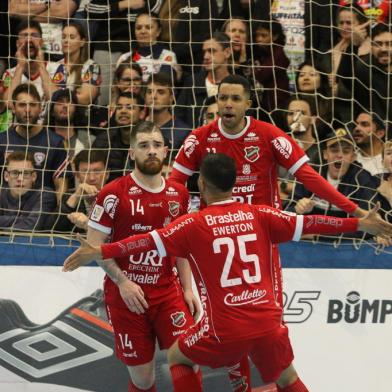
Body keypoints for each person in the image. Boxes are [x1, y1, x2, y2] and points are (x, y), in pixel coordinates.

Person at [63, 153, 392, 392]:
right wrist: (359, 223)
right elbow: (315, 223)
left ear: (201, 183)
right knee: (288, 379)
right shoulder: (262, 213)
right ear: (235, 183)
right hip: (268, 322)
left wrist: (101, 250)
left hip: (225, 329)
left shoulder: (192, 224)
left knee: (177, 356)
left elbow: (142, 242)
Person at [169, 74, 376, 390]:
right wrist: (180, 219)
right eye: (223, 98)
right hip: (213, 244)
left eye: (235, 98)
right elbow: (173, 186)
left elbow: (309, 177)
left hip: (259, 244)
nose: (227, 104)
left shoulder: (269, 135)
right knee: (227, 324)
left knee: (269, 329)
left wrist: (354, 210)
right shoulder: (200, 139)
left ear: (248, 103)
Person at [70, 121, 201, 391]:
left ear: (166, 151)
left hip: (167, 292)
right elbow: (95, 248)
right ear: (132, 153)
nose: (151, 151)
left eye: (156, 145)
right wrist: (122, 282)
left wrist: (188, 289)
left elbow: (182, 247)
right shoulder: (112, 194)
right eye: (143, 145)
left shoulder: (180, 194)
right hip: (126, 296)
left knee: (189, 357)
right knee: (143, 378)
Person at [288, 128, 378, 240]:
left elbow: (370, 227)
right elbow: (285, 214)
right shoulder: (310, 175)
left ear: (353, 157)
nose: (339, 155)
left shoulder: (362, 179)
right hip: (307, 247)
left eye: (345, 151)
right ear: (325, 154)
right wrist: (297, 210)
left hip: (346, 249)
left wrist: (319, 236)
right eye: (334, 150)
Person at [0, 83, 70, 202]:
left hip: (42, 211)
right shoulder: (2, 141)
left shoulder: (55, 142)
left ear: (41, 108)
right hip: (7, 212)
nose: (27, 110)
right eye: (22, 105)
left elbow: (61, 185)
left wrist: (57, 216)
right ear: (13, 107)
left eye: (32, 105)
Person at [337, 22, 392, 124]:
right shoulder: (363, 68)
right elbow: (345, 76)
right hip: (371, 134)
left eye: (389, 44)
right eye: (378, 44)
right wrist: (354, 45)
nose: (384, 49)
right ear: (371, 46)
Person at [176, 32, 231, 128]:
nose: (206, 57)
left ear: (227, 52)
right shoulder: (192, 83)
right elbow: (178, 117)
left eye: (211, 51)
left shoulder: (238, 85)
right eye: (204, 52)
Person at [49, 149, 109, 233]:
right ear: (77, 176)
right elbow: (50, 229)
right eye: (85, 172)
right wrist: (75, 197)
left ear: (107, 174)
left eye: (97, 171)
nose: (92, 178)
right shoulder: (69, 196)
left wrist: (88, 225)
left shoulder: (118, 198)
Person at [92, 92, 144, 182]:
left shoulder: (152, 141)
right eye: (119, 107)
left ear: (141, 113)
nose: (123, 111)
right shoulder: (103, 140)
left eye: (129, 107)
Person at [2, 20, 57, 104]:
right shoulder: (9, 74)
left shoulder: (57, 69)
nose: (29, 40)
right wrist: (20, 66)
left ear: (42, 43)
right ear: (17, 44)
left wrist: (41, 66)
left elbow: (56, 102)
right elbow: (8, 104)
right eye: (24, 36)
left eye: (34, 35)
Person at [116, 12, 181, 84]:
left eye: (148, 27)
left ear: (158, 31)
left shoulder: (168, 56)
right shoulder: (125, 58)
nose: (143, 31)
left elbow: (164, 85)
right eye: (138, 28)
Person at [0, 151, 56, 231]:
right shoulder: (1, 194)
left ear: (33, 177)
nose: (20, 179)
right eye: (15, 173)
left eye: (26, 173)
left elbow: (32, 225)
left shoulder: (44, 195)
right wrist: (24, 219)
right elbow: (28, 222)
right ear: (6, 176)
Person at [48, 22, 101, 106]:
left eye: (72, 37)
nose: (66, 40)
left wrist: (57, 93)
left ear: (82, 42)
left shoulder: (91, 66)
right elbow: (48, 96)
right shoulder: (53, 66)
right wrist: (74, 95)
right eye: (63, 37)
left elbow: (85, 99)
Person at [8, 0, 79, 60]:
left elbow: (63, 12)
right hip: (25, 49)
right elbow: (13, 10)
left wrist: (26, 14)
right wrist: (46, 5)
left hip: (55, 50)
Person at [144, 72, 191, 154]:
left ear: (171, 98)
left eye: (161, 92)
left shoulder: (184, 131)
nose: (154, 96)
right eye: (150, 92)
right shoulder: (136, 126)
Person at [252, 18, 290, 112]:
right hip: (267, 101)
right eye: (257, 35)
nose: (259, 39)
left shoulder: (278, 52)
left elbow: (262, 75)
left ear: (275, 36)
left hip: (278, 102)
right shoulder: (263, 52)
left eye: (263, 35)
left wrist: (256, 71)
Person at [47, 88, 93, 159]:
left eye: (70, 102)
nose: (65, 105)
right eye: (60, 102)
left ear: (76, 110)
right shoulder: (44, 139)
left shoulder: (89, 141)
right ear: (52, 111)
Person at [352, 111, 386, 176]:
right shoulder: (350, 158)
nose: (356, 128)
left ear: (380, 133)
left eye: (364, 124)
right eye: (355, 124)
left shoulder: (389, 158)